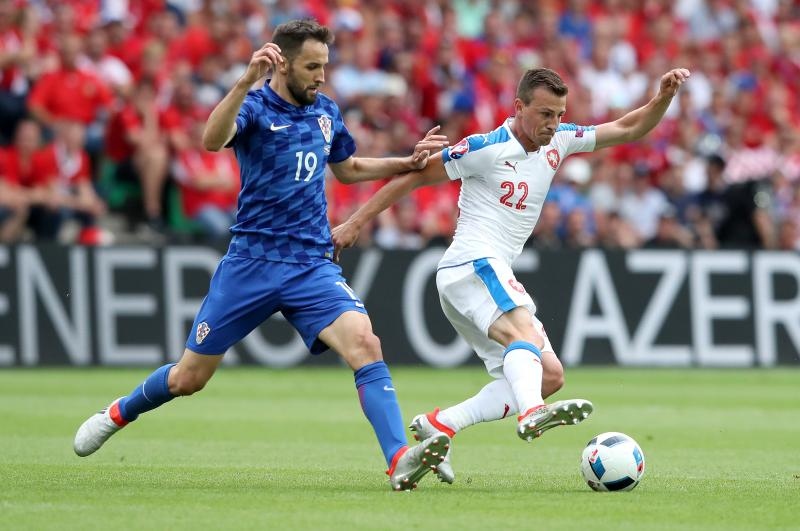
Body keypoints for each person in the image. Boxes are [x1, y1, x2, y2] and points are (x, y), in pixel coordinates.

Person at [73, 19, 451, 492]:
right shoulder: (253, 107)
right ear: (283, 64)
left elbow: (348, 168)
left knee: (366, 345)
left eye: (325, 67)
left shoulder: (325, 111)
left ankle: (398, 458)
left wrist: (406, 161)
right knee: (188, 378)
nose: (321, 77)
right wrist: (244, 80)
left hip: (311, 262)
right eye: (312, 67)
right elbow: (212, 139)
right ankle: (117, 414)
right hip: (251, 262)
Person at [333, 66, 691, 483]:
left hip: (488, 271)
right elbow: (412, 177)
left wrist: (662, 96)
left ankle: (441, 423)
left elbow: (629, 127)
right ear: (519, 108)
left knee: (550, 375)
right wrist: (355, 223)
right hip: (471, 263)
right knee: (525, 345)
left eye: (558, 113)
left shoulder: (560, 140)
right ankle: (531, 412)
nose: (552, 123)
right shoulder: (485, 147)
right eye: (544, 114)